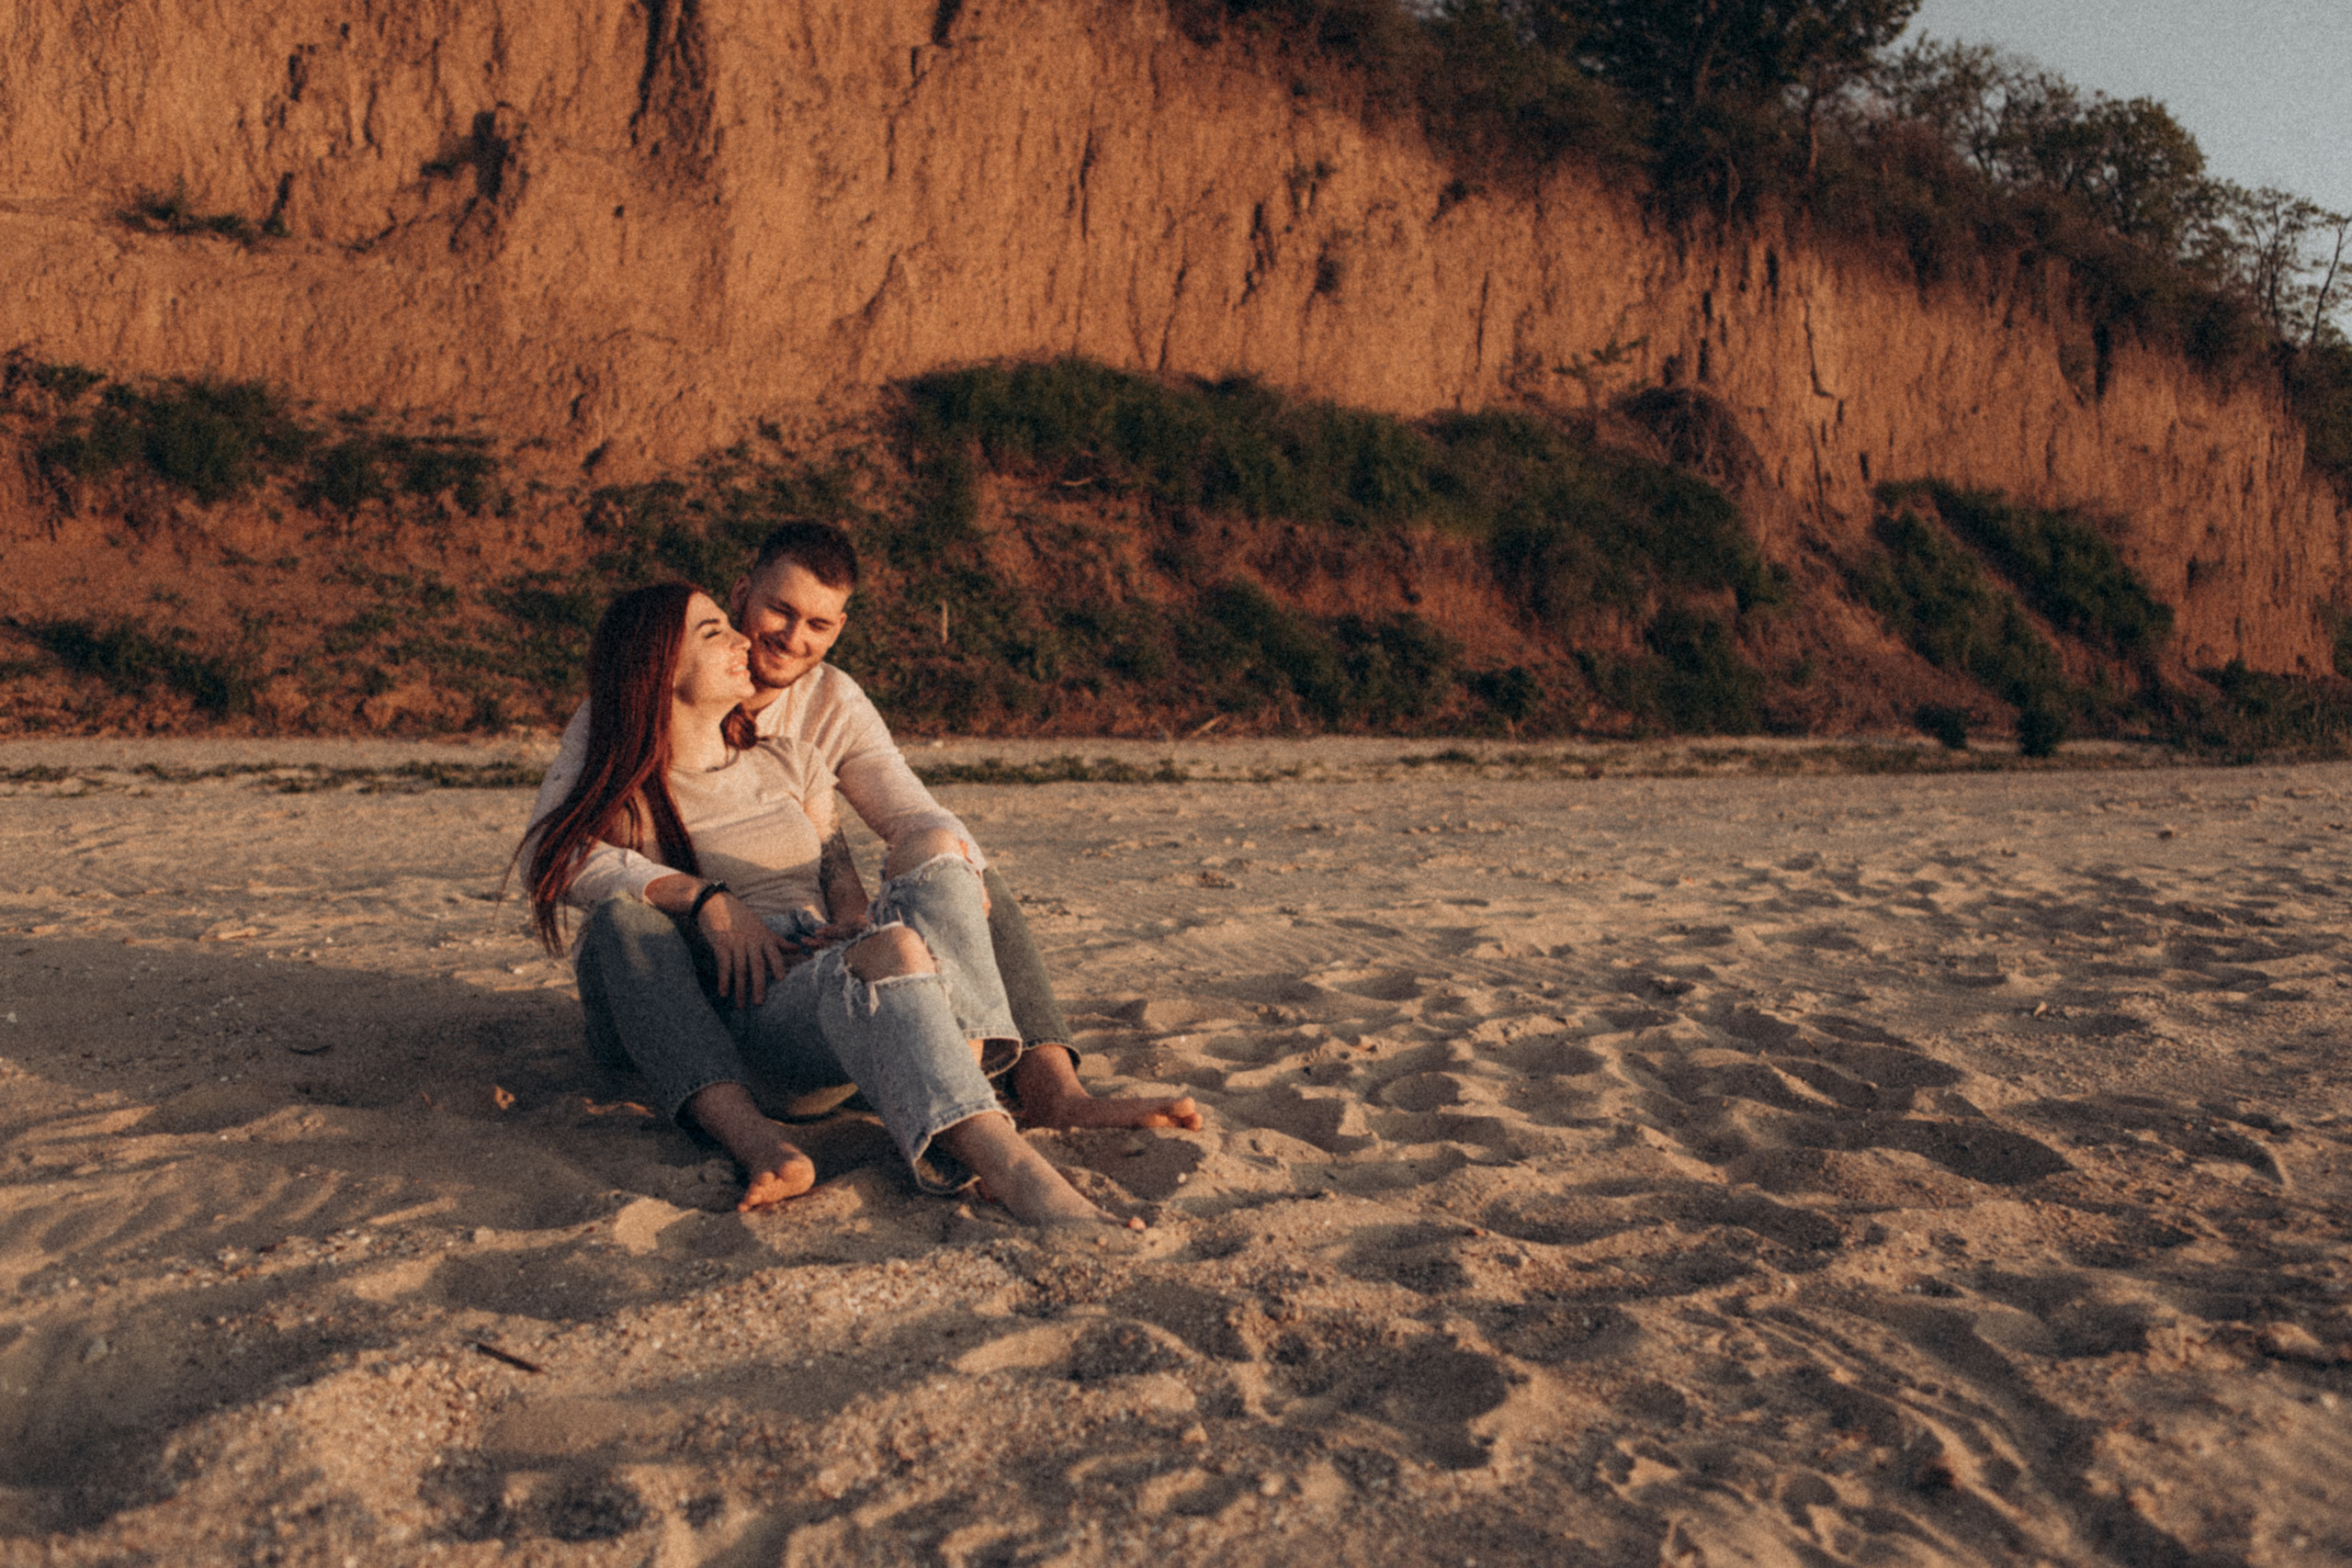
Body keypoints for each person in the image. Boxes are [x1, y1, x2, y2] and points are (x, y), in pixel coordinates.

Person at [526, 521, 1199, 1137]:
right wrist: (701, 899)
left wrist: (935, 884)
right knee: (628, 917)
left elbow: (913, 815)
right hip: (674, 977)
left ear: (840, 628)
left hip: (791, 970)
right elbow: (549, 852)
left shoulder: (830, 703)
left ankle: (1050, 1089)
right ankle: (745, 1113)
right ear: (742, 593)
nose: (794, 638)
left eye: (818, 624)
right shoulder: (636, 696)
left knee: (954, 856)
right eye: (780, 611)